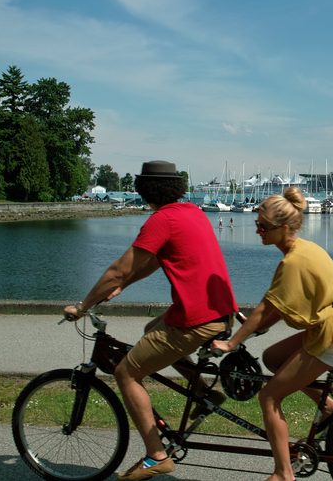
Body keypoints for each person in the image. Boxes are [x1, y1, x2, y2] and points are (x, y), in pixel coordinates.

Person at [63, 160, 238, 481]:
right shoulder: (192, 212)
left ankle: (156, 455)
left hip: (195, 319)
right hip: (220, 312)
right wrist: (120, 286)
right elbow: (154, 260)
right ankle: (203, 393)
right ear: (177, 187)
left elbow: (120, 267)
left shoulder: (162, 220)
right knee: (149, 330)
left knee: (127, 373)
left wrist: (83, 304)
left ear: (144, 189)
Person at [211, 187, 333, 481]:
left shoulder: (293, 261)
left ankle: (283, 473)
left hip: (332, 334)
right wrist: (257, 328)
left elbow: (265, 308)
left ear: (283, 228)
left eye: (263, 227)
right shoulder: (304, 248)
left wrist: (231, 343)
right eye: (257, 225)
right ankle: (330, 408)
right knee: (272, 357)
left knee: (268, 397)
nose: (258, 231)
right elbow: (279, 307)